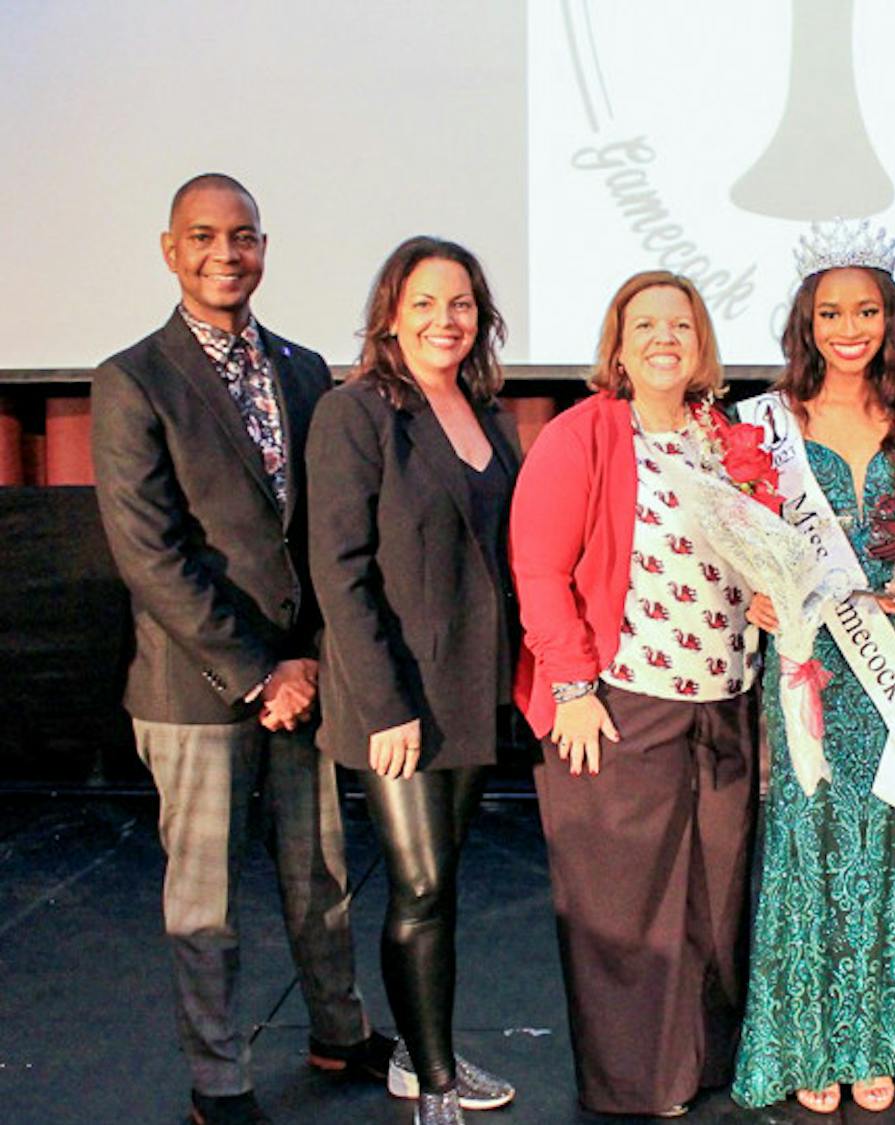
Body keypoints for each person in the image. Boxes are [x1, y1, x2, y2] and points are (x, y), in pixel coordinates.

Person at [90, 174, 390, 1125]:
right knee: (206, 904)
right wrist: (260, 671)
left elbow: (330, 529)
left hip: (306, 679)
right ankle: (219, 1079)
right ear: (171, 249)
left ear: (266, 247)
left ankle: (339, 1033)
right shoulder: (133, 377)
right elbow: (151, 553)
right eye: (206, 236)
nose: (228, 253)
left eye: (246, 236)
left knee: (322, 877)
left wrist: (306, 661)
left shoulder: (305, 369)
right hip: (198, 687)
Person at [731, 221, 895, 1115]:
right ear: (806, 320)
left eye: (868, 310)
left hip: (891, 657)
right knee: (810, 836)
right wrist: (758, 595)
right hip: (809, 660)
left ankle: (883, 1033)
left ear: (891, 317)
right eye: (832, 311)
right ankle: (810, 1038)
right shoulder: (763, 424)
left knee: (890, 828)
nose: (850, 327)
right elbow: (739, 543)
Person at [510, 271, 758, 1119]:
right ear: (617, 344)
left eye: (680, 324)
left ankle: (700, 1065)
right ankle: (635, 1085)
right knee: (624, 907)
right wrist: (572, 686)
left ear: (701, 343)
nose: (664, 338)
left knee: (712, 898)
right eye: (644, 324)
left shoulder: (725, 439)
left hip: (724, 702)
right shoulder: (583, 435)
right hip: (619, 703)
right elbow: (539, 569)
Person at [306, 237, 520, 1125]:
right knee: (423, 884)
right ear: (392, 311)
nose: (446, 320)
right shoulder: (355, 412)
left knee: (440, 884)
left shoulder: (489, 418)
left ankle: (424, 1054)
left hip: (472, 689)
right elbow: (340, 570)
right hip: (390, 698)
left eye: (462, 303)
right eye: (426, 302)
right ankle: (431, 1079)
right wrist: (385, 703)